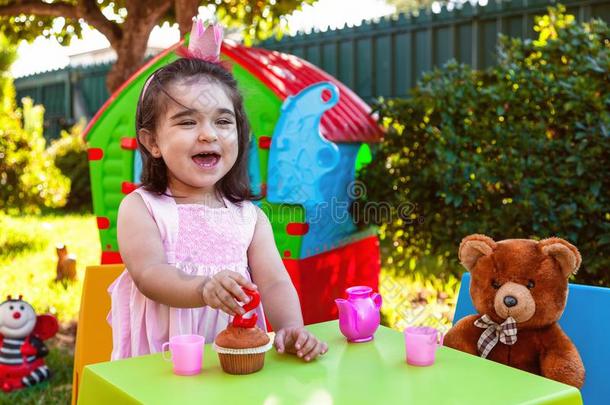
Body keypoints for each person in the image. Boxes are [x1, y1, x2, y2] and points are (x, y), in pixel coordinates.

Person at [108, 20, 327, 362]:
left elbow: (273, 283)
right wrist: (202, 288)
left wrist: (291, 326)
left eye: (223, 122)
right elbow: (149, 274)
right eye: (187, 121)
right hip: (163, 365)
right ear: (152, 142)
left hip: (236, 360)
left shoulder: (249, 218)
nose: (209, 134)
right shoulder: (142, 208)